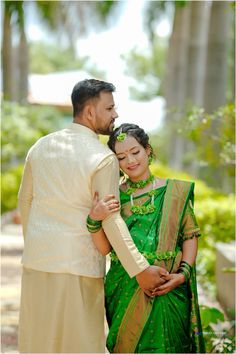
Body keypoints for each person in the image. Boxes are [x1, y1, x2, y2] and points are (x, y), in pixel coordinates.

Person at [17, 79, 167, 353]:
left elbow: (25, 201)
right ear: (89, 112)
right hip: (79, 265)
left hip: (38, 261)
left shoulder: (40, 146)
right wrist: (140, 269)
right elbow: (110, 217)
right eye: (109, 108)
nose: (116, 114)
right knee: (80, 345)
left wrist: (37, 243)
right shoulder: (102, 157)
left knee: (37, 344)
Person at [88, 123, 206, 353]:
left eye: (135, 152)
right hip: (125, 286)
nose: (130, 161)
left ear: (148, 150)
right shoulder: (113, 197)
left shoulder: (174, 192)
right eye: (121, 157)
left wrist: (183, 275)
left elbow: (190, 235)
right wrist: (94, 219)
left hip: (169, 285)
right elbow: (105, 249)